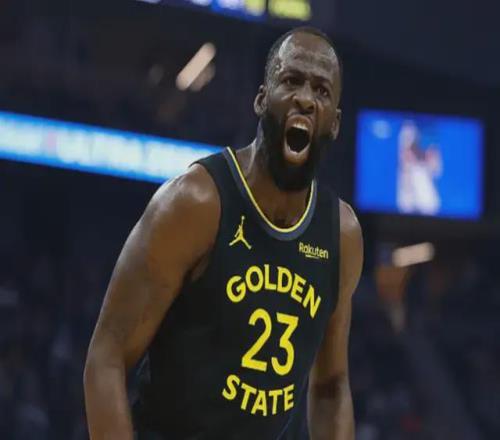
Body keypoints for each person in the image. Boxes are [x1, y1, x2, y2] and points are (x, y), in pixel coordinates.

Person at [84, 26, 363, 440]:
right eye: (291, 81)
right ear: (261, 98)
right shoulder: (195, 203)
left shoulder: (341, 235)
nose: (305, 99)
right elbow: (106, 356)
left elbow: (330, 387)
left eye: (321, 90)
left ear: (335, 123)